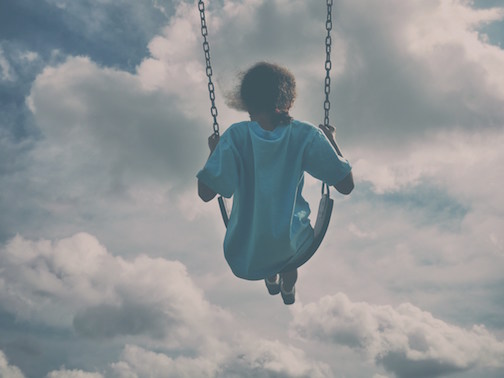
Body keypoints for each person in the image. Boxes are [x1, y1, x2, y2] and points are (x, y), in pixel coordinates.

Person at [197, 62, 353, 305]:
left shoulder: (235, 136)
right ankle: (287, 284)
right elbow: (346, 185)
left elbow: (206, 193)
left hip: (247, 244)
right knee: (288, 248)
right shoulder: (305, 134)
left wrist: (214, 153)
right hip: (291, 243)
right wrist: (331, 141)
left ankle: (270, 275)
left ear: (246, 103)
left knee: (263, 244)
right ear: (289, 101)